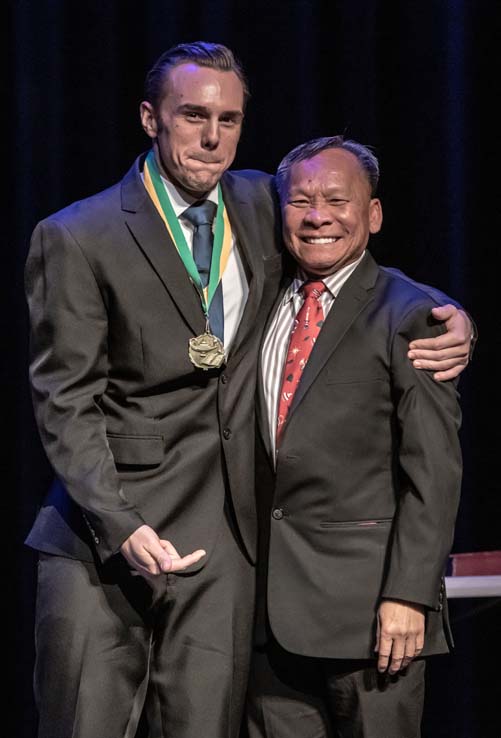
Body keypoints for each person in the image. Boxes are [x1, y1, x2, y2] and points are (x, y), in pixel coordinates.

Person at [24, 43, 471, 738]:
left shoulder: (264, 200)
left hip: (225, 540)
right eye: (193, 116)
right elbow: (64, 401)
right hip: (103, 535)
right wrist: (120, 524)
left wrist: (451, 321)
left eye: (228, 120)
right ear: (150, 118)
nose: (211, 138)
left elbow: (350, 251)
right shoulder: (77, 235)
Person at [246, 136, 465, 738]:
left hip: (372, 620)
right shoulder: (257, 305)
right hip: (266, 622)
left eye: (337, 200)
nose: (318, 216)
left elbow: (435, 472)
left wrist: (410, 595)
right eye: (301, 201)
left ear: (372, 214)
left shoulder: (411, 315)